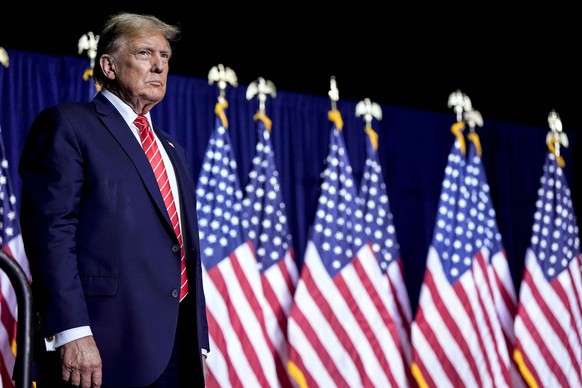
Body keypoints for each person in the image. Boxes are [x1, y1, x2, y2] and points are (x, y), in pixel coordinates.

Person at [18, 12, 209, 387]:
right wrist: (72, 331)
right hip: (102, 347)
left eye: (165, 56)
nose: (158, 65)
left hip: (175, 347)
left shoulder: (172, 149)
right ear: (108, 65)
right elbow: (51, 234)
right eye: (143, 53)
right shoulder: (69, 125)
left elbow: (181, 249)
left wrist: (196, 340)